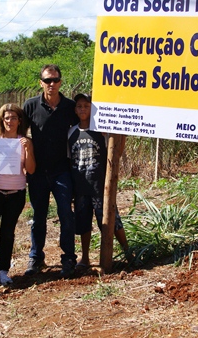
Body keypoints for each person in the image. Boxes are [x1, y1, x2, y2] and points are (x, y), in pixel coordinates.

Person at [22, 64, 79, 278]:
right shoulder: (30, 106)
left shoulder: (70, 107)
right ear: (41, 83)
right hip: (37, 172)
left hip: (62, 170)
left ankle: (69, 258)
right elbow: (16, 134)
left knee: (66, 214)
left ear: (61, 82)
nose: (51, 84)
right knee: (38, 216)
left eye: (55, 80)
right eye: (47, 81)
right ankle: (36, 257)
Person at [68, 93, 130, 269]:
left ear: (92, 109)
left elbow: (116, 153)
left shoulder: (102, 132)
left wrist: (122, 133)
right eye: (79, 106)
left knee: (111, 221)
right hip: (81, 186)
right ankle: (85, 258)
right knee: (83, 223)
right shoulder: (71, 133)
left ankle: (127, 252)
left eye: (86, 106)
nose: (83, 109)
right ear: (75, 109)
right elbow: (69, 158)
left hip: (100, 186)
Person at [0, 103, 36, 285]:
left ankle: (3, 270)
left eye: (13, 118)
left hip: (15, 193)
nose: (9, 121)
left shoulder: (25, 141)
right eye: (6, 118)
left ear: (20, 120)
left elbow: (31, 169)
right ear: (1, 120)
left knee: (8, 233)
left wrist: (28, 149)